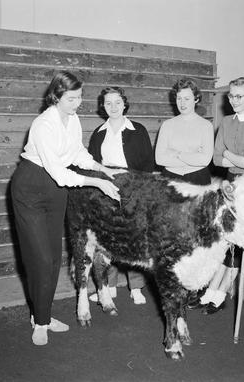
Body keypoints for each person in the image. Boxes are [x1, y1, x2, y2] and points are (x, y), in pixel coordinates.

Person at [11, 71, 123, 346]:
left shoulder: (72, 120)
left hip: (55, 191)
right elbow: (61, 173)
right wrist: (96, 182)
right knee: (39, 258)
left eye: (80, 97)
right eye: (72, 98)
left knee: (53, 258)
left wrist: (101, 167)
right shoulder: (43, 125)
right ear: (56, 96)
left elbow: (77, 154)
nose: (78, 103)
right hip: (31, 188)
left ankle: (43, 315)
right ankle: (40, 321)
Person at [87, 86, 155, 305]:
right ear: (103, 106)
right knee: (110, 238)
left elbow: (147, 164)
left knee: (134, 237)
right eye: (108, 103)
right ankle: (111, 285)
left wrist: (142, 192)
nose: (113, 107)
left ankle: (136, 286)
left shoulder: (138, 130)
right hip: (107, 191)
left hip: (134, 190)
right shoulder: (99, 133)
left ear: (125, 104)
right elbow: (93, 166)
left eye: (117, 102)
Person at [197, 77, 244, 314]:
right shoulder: (227, 122)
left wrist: (232, 156)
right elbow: (216, 158)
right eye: (231, 96)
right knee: (225, 237)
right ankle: (211, 289)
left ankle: (221, 292)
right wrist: (237, 157)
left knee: (239, 239)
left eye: (240, 96)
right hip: (231, 183)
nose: (234, 100)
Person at [155, 77, 214, 186]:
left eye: (187, 99)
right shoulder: (167, 125)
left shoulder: (206, 126)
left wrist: (176, 153)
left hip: (198, 178)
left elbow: (205, 160)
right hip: (170, 178)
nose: (182, 103)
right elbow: (159, 159)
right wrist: (194, 158)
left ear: (196, 99)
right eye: (179, 98)